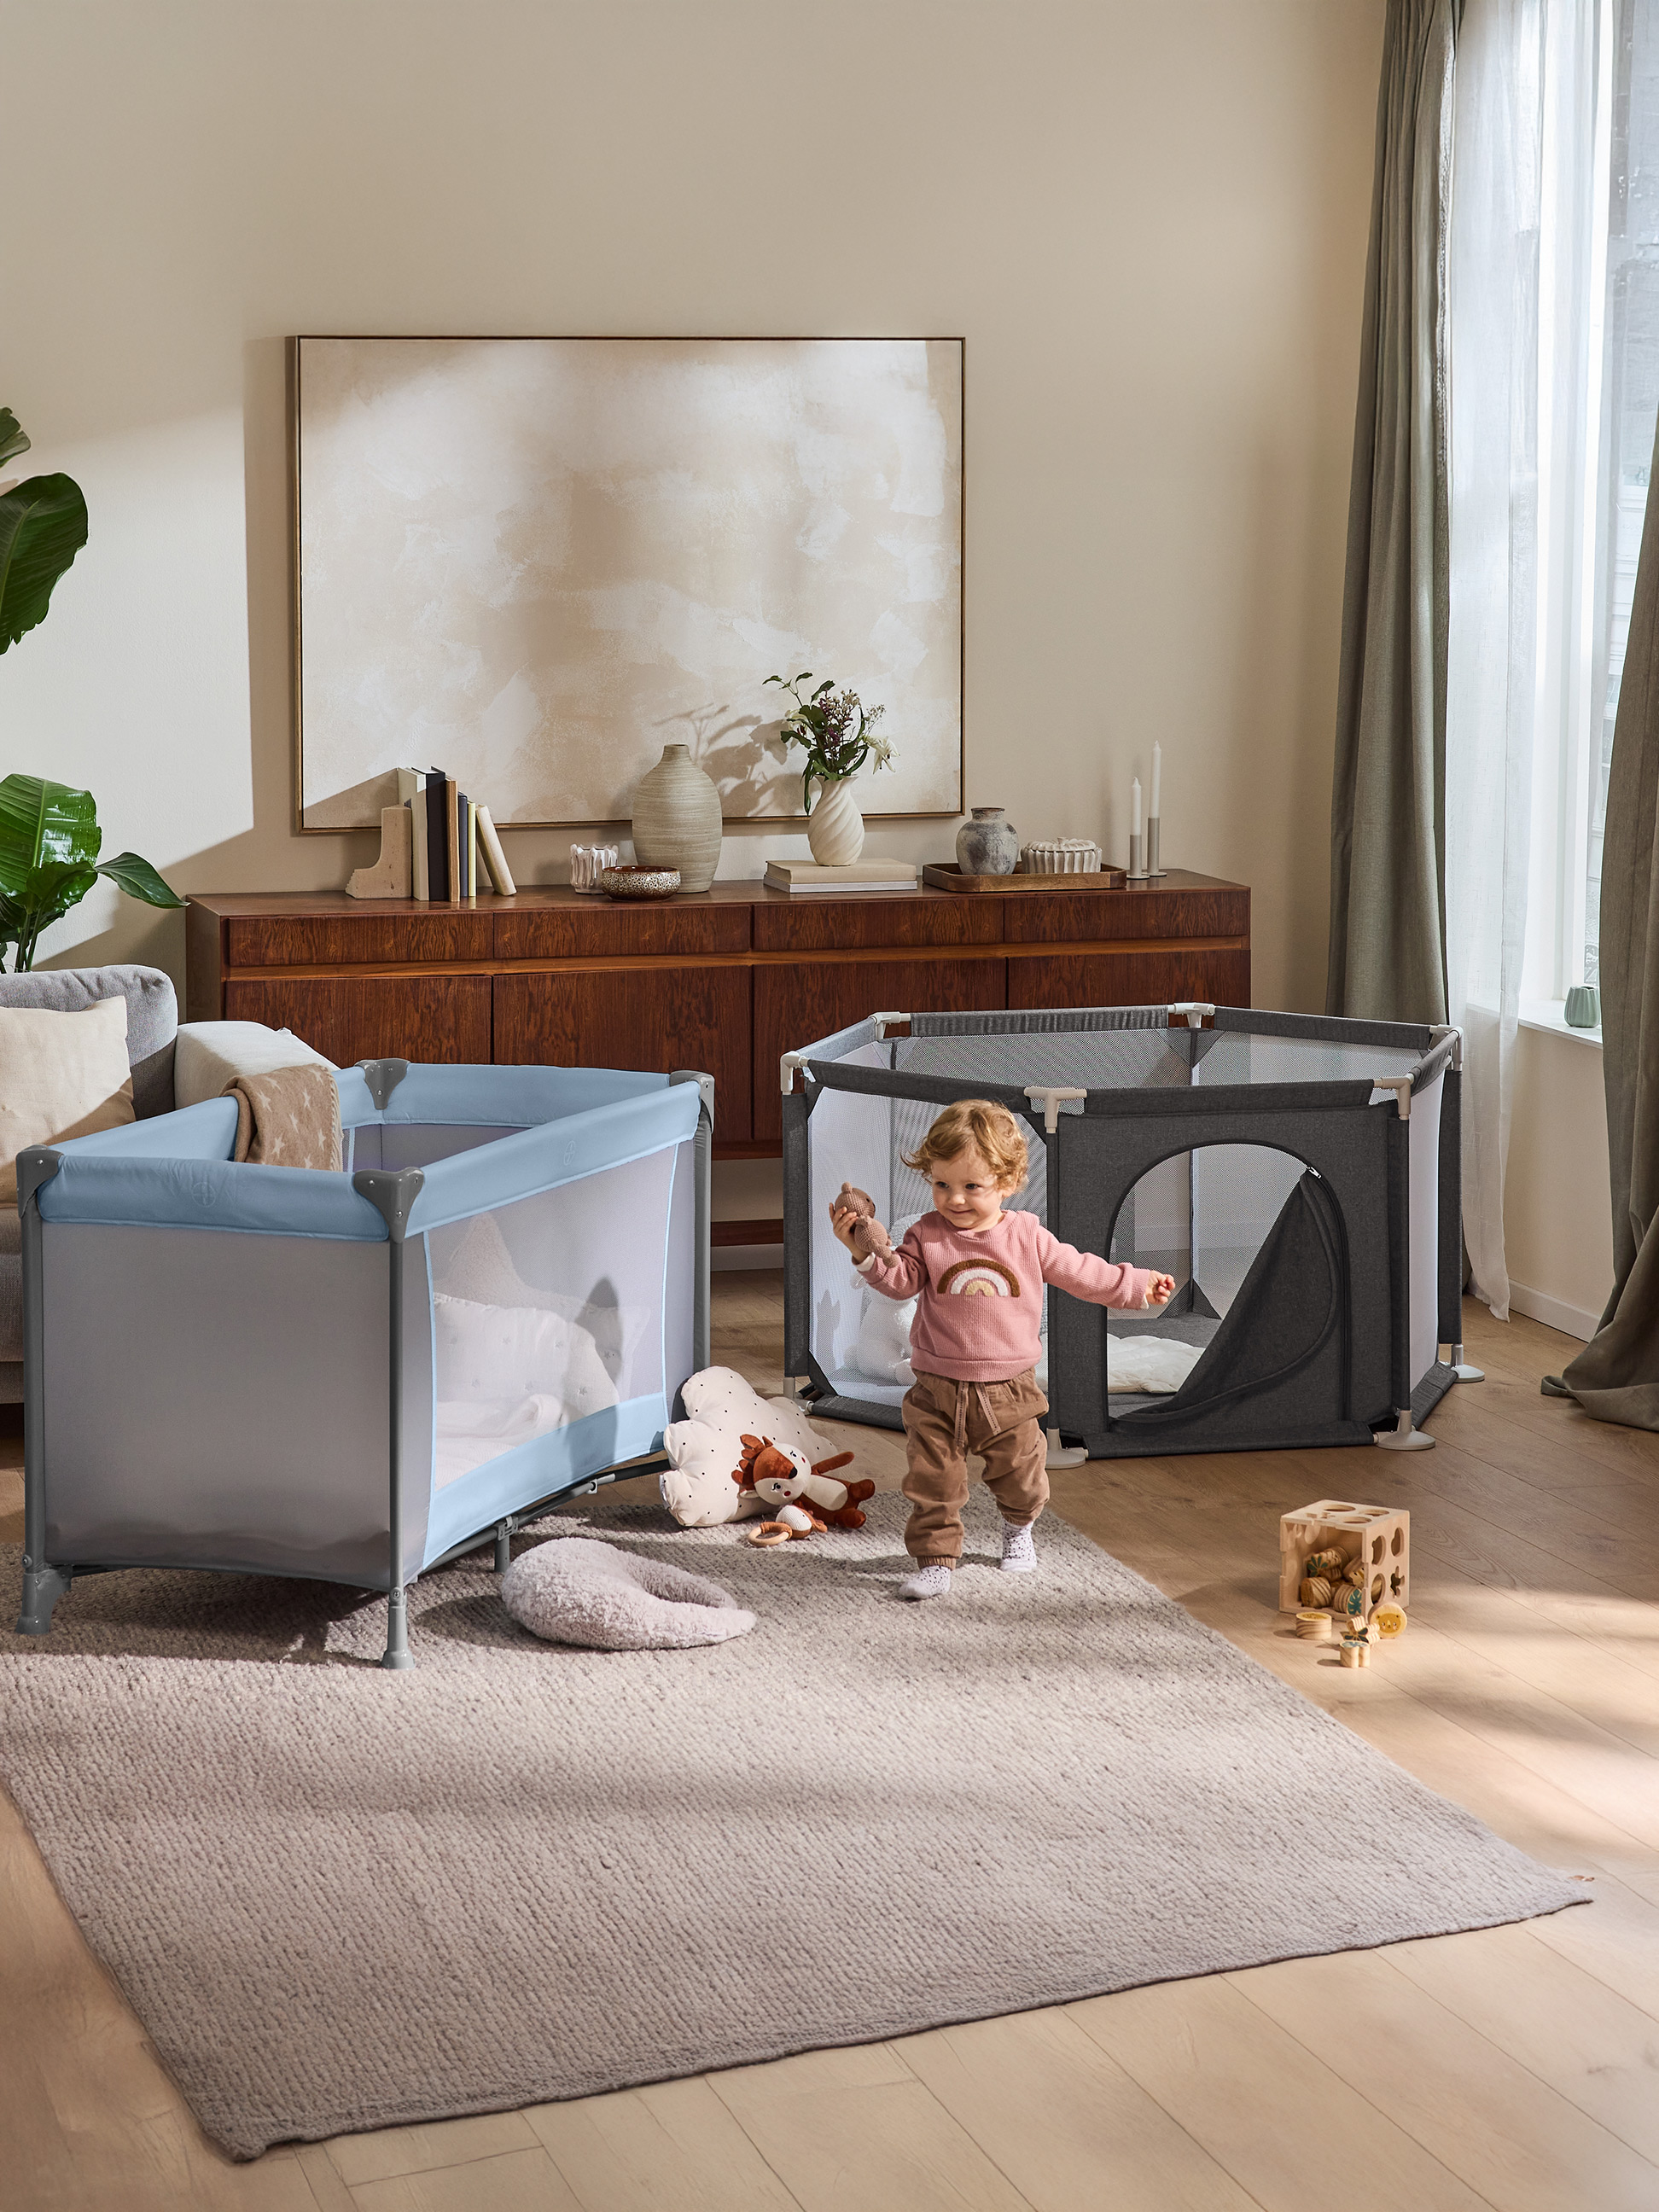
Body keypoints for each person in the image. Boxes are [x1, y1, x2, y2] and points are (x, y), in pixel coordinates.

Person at [830, 1098, 1174, 1599]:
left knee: (1021, 1476)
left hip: (1009, 1389)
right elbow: (901, 1282)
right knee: (933, 1481)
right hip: (936, 1386)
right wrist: (863, 1252)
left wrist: (1137, 1285)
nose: (956, 1199)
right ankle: (936, 1559)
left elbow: (1083, 1272)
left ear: (1008, 1183)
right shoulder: (924, 1234)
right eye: (942, 1184)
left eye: (973, 1187)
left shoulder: (1026, 1235)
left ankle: (1019, 1529)